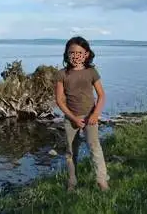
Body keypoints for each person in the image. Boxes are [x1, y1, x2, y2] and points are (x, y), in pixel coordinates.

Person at [54, 36, 109, 192]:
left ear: (86, 54)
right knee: (71, 152)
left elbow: (102, 95)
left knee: (95, 148)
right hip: (71, 119)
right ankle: (72, 183)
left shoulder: (91, 71)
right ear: (66, 54)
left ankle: (102, 181)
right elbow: (59, 100)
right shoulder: (61, 74)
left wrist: (95, 115)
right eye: (72, 52)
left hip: (90, 118)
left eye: (79, 52)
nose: (76, 56)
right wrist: (73, 118)